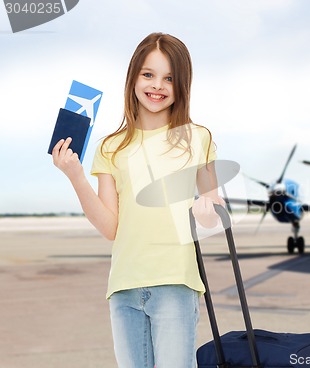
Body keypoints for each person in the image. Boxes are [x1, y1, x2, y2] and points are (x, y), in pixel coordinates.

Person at [52, 33, 225, 368]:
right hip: (124, 287)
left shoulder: (197, 137)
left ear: (182, 85)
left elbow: (213, 213)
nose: (157, 85)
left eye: (169, 78)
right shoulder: (109, 147)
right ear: (133, 77)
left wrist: (206, 210)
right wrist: (75, 175)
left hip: (176, 283)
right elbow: (110, 227)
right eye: (148, 74)